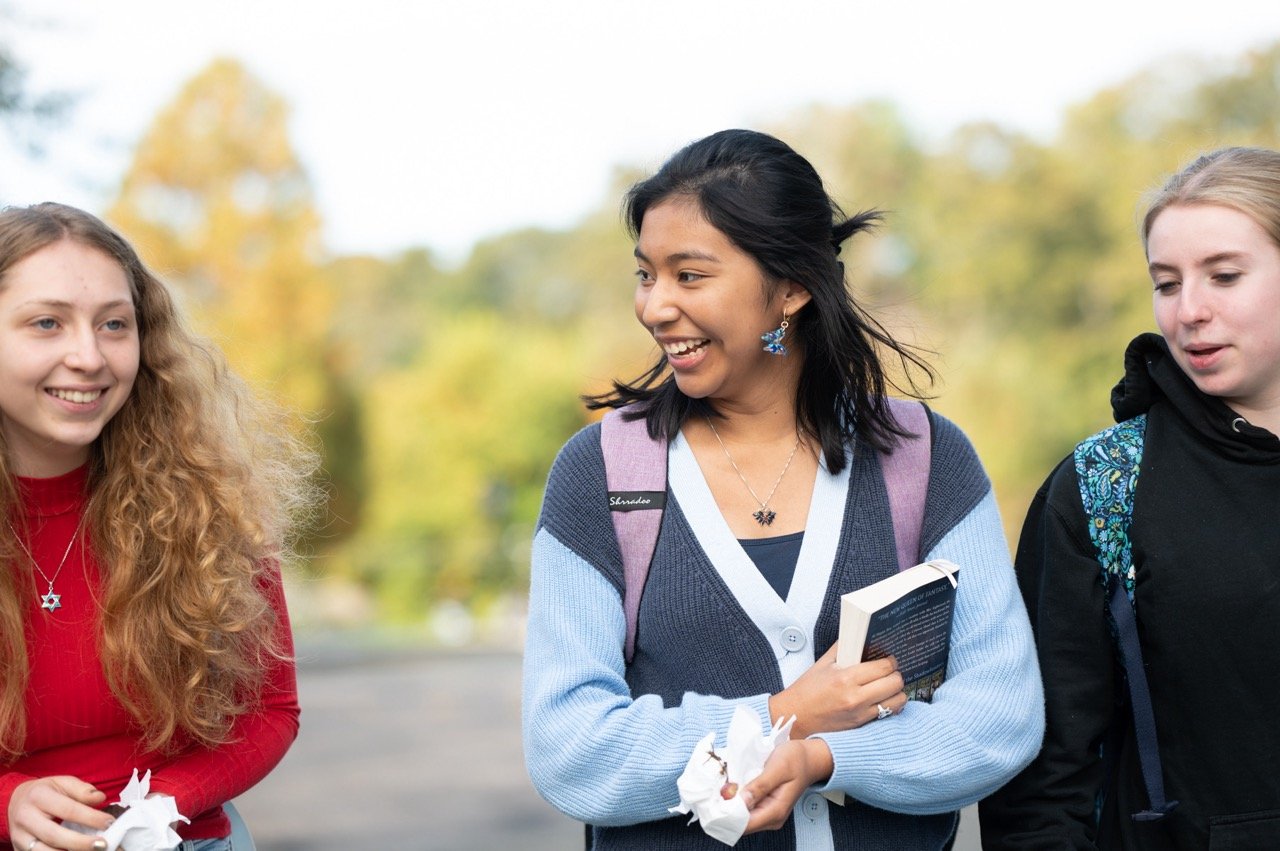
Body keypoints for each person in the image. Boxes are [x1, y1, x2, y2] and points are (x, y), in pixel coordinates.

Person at [522, 129, 1044, 850]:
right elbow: (570, 748)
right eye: (646, 274)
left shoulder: (926, 458)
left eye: (690, 275)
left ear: (792, 288)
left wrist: (825, 756)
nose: (654, 306)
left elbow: (1000, 715)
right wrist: (777, 717)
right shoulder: (602, 474)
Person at [979, 147, 1280, 847]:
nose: (1190, 311)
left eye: (1224, 275)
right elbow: (1040, 787)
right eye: (1167, 283)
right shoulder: (1101, 484)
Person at [0, 203, 317, 851]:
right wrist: (8, 802)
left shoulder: (206, 507)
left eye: (114, 324)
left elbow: (269, 711)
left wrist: (159, 808)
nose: (88, 355)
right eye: (46, 323)